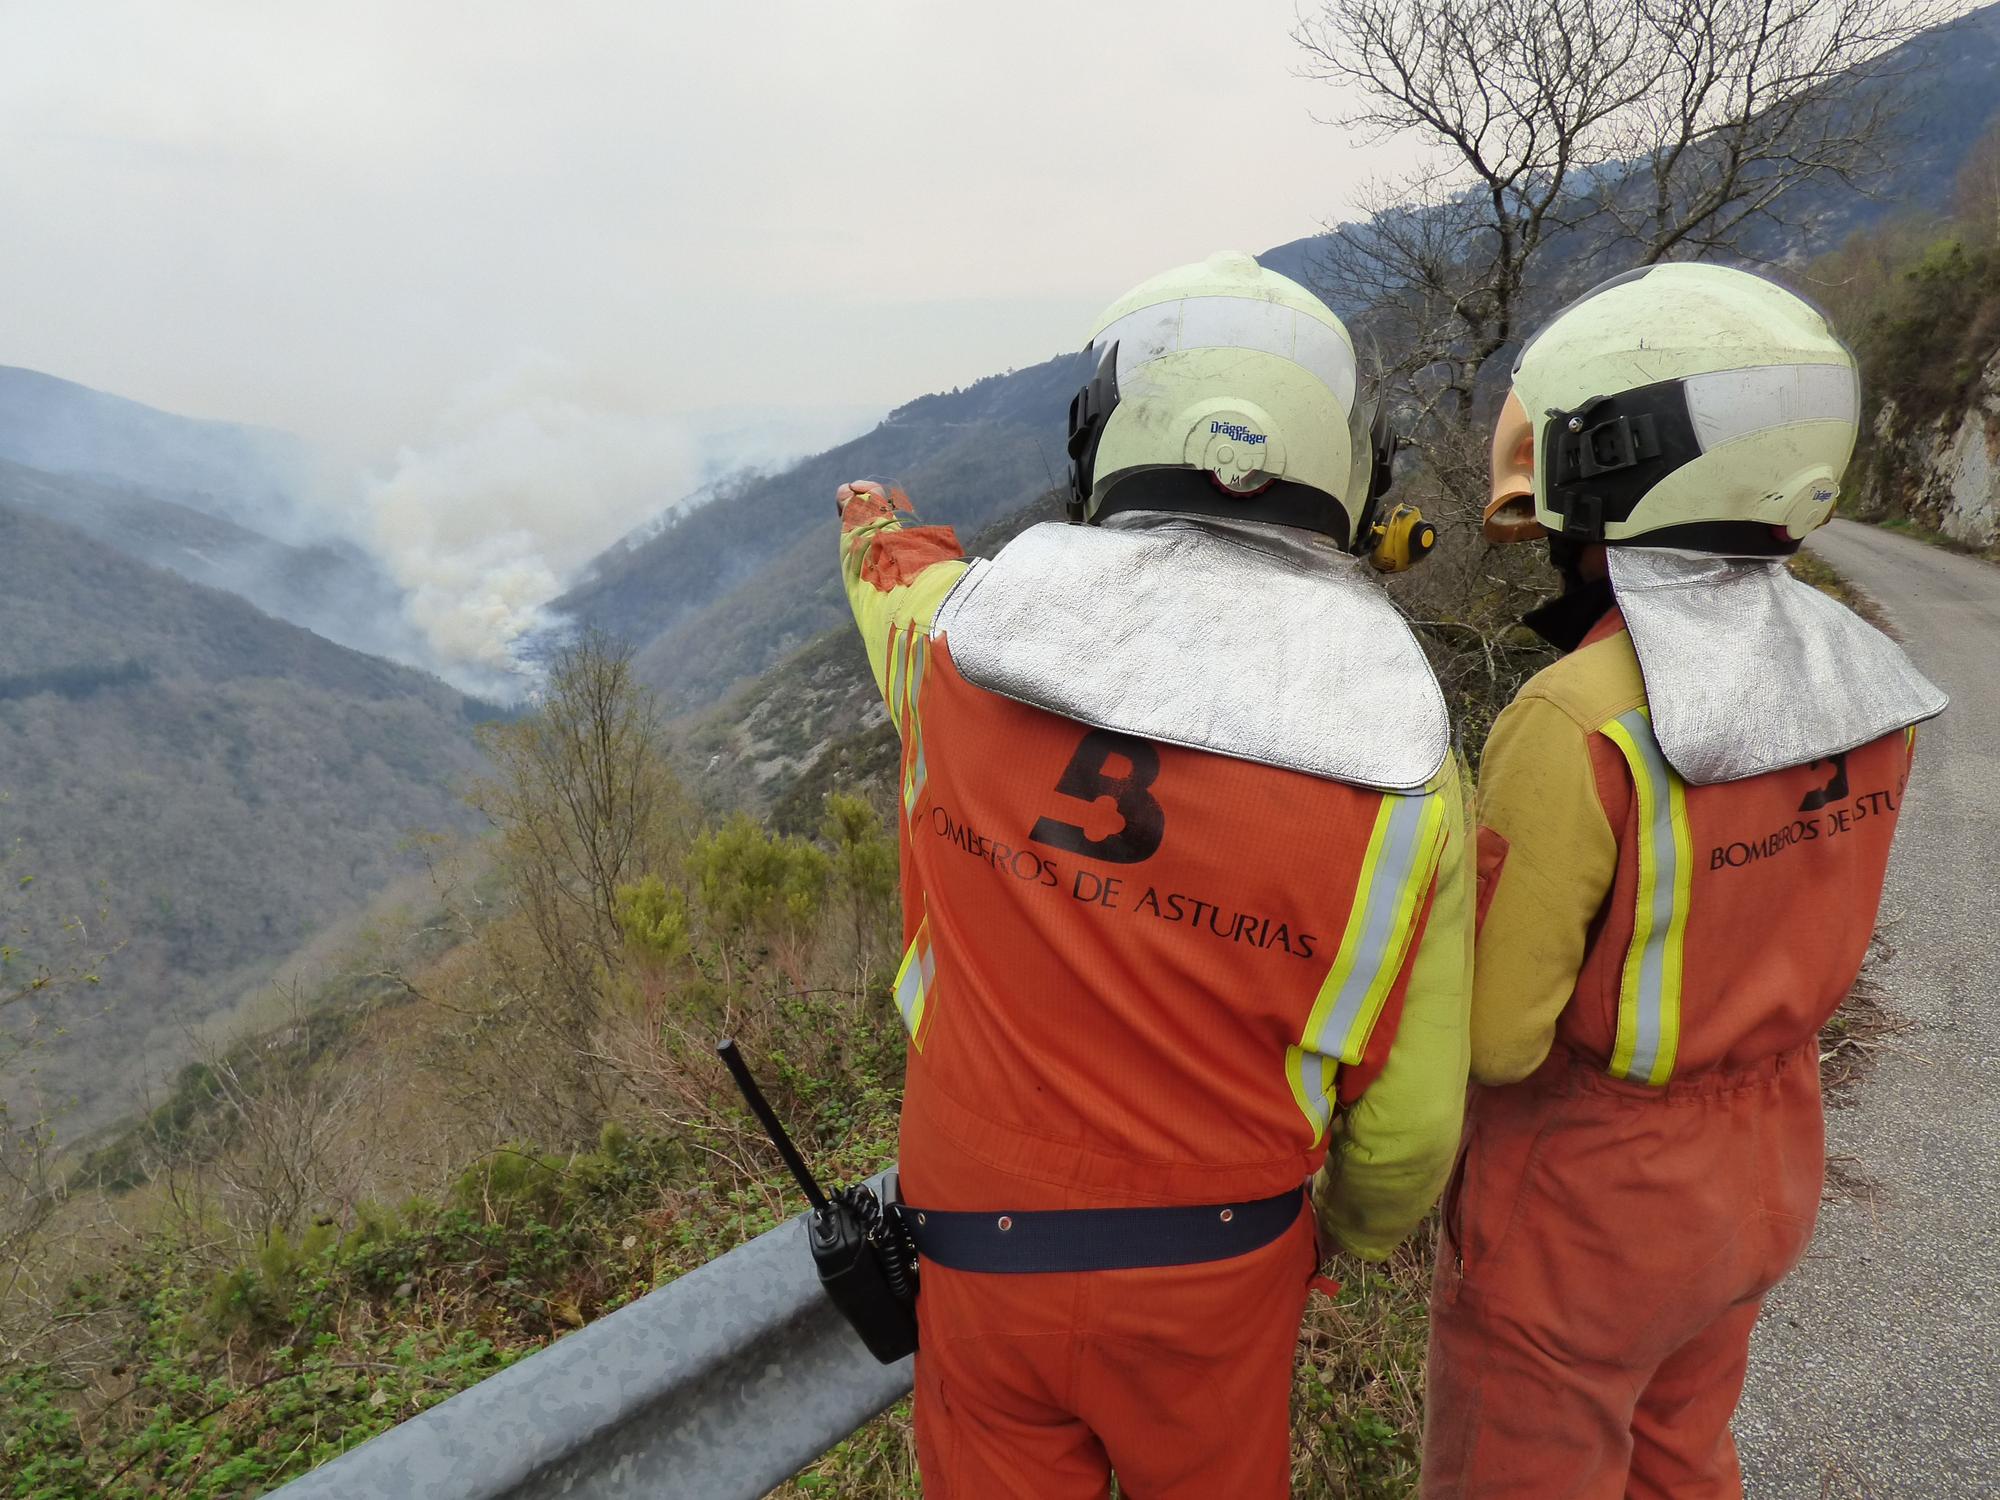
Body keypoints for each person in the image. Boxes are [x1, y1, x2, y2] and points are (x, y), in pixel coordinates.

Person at [834, 251, 1473, 1498]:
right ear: (1349, 475)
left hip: (973, 1246)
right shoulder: (1410, 775)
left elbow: (892, 587)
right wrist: (1328, 1243)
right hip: (1221, 1268)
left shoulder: (954, 647)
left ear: (1102, 443)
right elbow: (1408, 1131)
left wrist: (873, 524)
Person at [1423, 262, 1947, 1499]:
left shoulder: (1579, 717)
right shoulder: (1864, 677)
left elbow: (1497, 1039)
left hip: (1594, 1194)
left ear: (1609, 458)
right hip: (1764, 1162)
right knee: (1678, 1457)